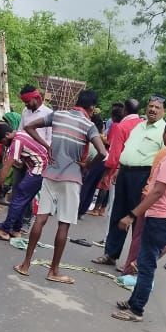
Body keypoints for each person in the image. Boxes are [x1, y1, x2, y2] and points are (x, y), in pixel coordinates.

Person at [12, 89, 107, 284]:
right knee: (63, 224)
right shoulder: (89, 126)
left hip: (50, 173)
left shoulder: (58, 115)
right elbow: (103, 152)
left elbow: (29, 126)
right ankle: (53, 271)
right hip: (71, 178)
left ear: (77, 101)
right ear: (92, 108)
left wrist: (47, 146)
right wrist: (87, 166)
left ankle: (25, 265)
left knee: (40, 218)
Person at [111, 117, 166, 322]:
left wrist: (132, 215)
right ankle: (133, 300)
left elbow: (157, 192)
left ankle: (136, 309)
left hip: (161, 217)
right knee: (145, 261)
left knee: (146, 265)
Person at [92, 95, 166, 266]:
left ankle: (133, 261)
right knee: (118, 213)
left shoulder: (163, 130)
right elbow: (128, 148)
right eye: (151, 106)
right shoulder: (139, 125)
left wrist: (151, 181)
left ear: (164, 111)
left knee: (137, 218)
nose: (153, 109)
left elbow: (163, 159)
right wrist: (118, 169)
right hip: (125, 172)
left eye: (157, 107)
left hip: (143, 175)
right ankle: (111, 254)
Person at [0, 122, 48, 240]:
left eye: (3, 142)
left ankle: (4, 231)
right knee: (22, 200)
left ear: (7, 135)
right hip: (42, 169)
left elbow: (6, 168)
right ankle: (16, 229)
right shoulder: (21, 134)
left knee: (18, 198)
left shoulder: (16, 142)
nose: (5, 145)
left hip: (39, 169)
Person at [88, 104, 127, 216]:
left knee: (103, 183)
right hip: (118, 157)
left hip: (110, 156)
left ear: (113, 116)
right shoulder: (122, 126)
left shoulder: (115, 126)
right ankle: (102, 209)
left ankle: (96, 208)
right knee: (108, 183)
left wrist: (100, 137)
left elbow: (110, 141)